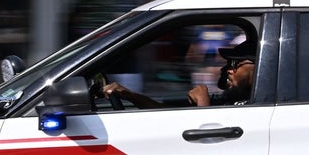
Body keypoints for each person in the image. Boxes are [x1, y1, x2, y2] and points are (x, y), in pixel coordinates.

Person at [103, 38, 256, 108]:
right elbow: (165, 112)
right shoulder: (232, 98)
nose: (228, 70)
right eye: (227, 64)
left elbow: (211, 140)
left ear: (257, 67)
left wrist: (203, 102)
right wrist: (130, 95)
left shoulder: (257, 105)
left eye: (235, 64)